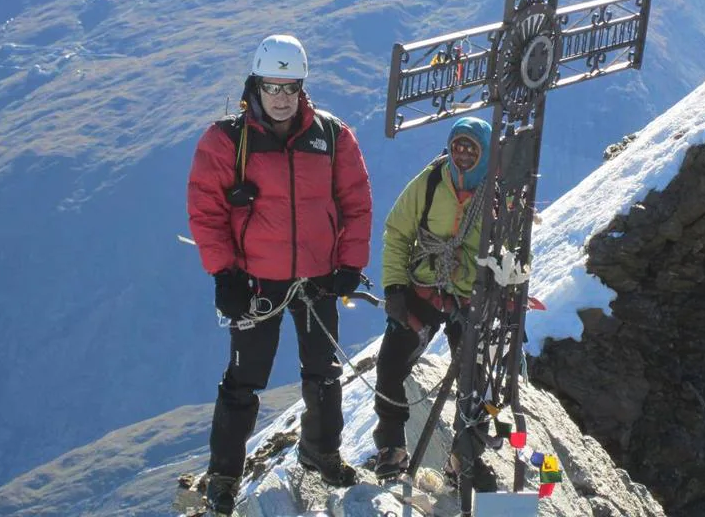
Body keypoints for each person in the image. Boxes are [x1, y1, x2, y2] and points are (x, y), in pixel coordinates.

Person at [187, 34, 372, 514]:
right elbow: (205, 211)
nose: (282, 97)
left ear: (302, 86)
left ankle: (321, 454)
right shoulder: (227, 140)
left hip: (317, 280)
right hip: (254, 283)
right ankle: (224, 477)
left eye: (291, 87)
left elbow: (355, 201)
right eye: (273, 87)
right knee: (243, 381)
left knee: (324, 374)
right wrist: (223, 275)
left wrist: (350, 262)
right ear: (255, 84)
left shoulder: (331, 136)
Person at [371, 116, 495, 481]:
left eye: (471, 148)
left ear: (485, 153)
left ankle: (463, 456)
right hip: (423, 287)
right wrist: (394, 288)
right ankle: (391, 447)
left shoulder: (496, 196)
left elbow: (512, 249)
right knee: (391, 364)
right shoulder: (429, 182)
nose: (463, 154)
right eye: (458, 145)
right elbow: (397, 233)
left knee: (475, 379)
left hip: (468, 296)